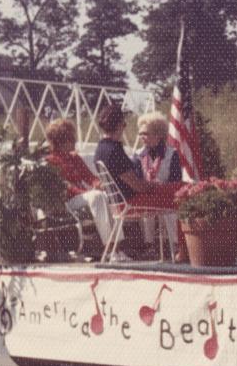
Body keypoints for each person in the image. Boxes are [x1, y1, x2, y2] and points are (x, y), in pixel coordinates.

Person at [94, 103, 187, 260]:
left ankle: (177, 247)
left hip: (119, 201)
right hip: (132, 201)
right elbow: (138, 186)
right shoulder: (115, 150)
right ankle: (183, 248)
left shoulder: (101, 148)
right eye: (123, 123)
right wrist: (152, 185)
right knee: (183, 193)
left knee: (180, 189)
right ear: (118, 125)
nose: (124, 127)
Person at [44, 118, 113, 247]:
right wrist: (88, 192)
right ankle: (110, 246)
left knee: (106, 196)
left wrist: (99, 184)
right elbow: (65, 186)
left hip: (81, 197)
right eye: (71, 138)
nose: (74, 140)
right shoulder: (51, 161)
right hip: (67, 202)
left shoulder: (74, 157)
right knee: (97, 196)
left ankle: (117, 245)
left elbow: (90, 177)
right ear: (61, 141)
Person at [135, 111, 182, 254]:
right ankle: (149, 246)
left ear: (158, 135)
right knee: (146, 208)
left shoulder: (172, 154)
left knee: (170, 210)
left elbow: (176, 182)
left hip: (166, 195)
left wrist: (160, 189)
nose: (142, 137)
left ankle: (175, 246)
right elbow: (137, 180)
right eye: (141, 134)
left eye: (146, 134)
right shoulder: (138, 155)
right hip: (147, 195)